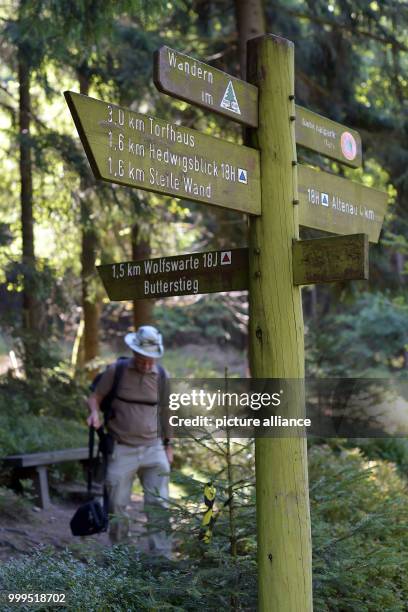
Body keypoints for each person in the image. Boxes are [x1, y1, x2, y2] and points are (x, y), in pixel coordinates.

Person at [87, 325, 173, 557]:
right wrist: (94, 413)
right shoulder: (117, 371)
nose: (146, 364)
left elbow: (167, 414)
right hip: (121, 447)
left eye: (151, 360)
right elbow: (96, 396)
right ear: (134, 352)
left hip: (154, 448)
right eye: (142, 359)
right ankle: (121, 555)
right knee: (117, 504)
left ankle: (162, 556)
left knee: (160, 504)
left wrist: (169, 446)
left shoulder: (163, 377)